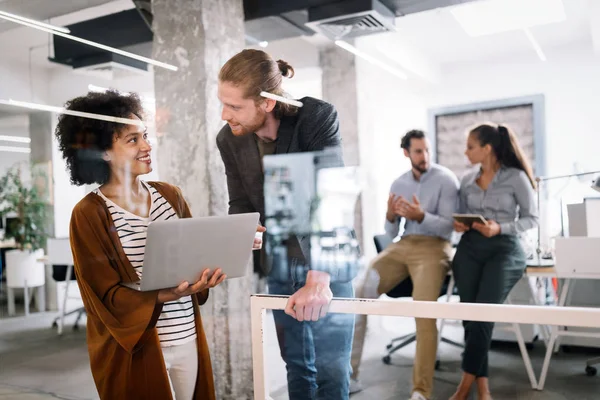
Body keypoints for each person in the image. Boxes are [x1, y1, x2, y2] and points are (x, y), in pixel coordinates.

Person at [55, 90, 226, 400]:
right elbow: (102, 295)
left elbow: (195, 254)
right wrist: (167, 294)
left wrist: (212, 265)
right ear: (102, 152)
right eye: (132, 140)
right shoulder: (89, 213)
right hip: (138, 345)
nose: (147, 146)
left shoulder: (170, 195)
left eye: (145, 136)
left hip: (186, 334)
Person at [216, 49, 356, 400]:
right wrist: (245, 227)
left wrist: (319, 279)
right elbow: (241, 201)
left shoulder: (315, 118)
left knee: (331, 367)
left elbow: (332, 197)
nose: (224, 114)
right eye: (222, 103)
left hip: (326, 263)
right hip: (280, 265)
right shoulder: (227, 139)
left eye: (234, 106)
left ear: (266, 102)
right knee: (296, 364)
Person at [349, 130, 459, 400]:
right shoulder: (399, 183)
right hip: (403, 245)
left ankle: (421, 391)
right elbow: (390, 229)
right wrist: (389, 215)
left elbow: (450, 226)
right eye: (419, 151)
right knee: (360, 291)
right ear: (406, 153)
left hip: (435, 246)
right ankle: (348, 375)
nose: (425, 157)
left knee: (423, 310)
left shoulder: (446, 179)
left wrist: (422, 215)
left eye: (427, 150)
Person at [449, 123, 538, 400]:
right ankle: (483, 386)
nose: (466, 152)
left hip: (504, 249)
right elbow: (460, 214)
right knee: (470, 317)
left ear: (487, 149)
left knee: (483, 314)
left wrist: (500, 228)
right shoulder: (466, 180)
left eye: (470, 147)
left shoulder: (516, 178)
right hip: (470, 249)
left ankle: (465, 386)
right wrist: (461, 225)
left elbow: (531, 218)